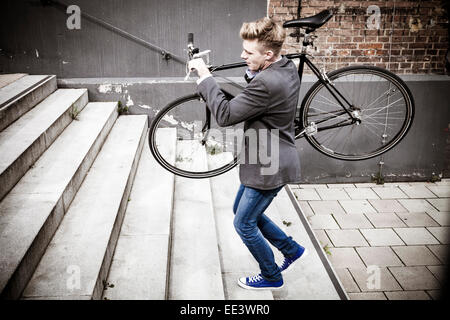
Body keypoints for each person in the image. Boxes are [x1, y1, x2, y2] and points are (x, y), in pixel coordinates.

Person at [188, 17, 307, 290]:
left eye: (249, 52)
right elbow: (257, 90)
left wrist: (206, 78)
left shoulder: (266, 83)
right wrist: (253, 68)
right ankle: (291, 249)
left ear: (268, 54)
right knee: (240, 211)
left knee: (243, 224)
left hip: (269, 165)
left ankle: (271, 275)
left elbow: (226, 115)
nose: (242, 55)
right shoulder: (285, 66)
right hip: (272, 156)